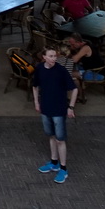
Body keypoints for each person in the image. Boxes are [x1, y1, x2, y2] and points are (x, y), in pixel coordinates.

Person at [33, 47, 78, 184]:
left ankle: (63, 168)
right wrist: (36, 102)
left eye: (54, 56)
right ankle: (54, 162)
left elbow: (74, 88)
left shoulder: (61, 71)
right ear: (44, 57)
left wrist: (70, 107)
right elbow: (35, 86)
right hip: (46, 108)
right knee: (51, 136)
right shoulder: (40, 69)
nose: (53, 58)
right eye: (51, 56)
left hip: (59, 109)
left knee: (60, 139)